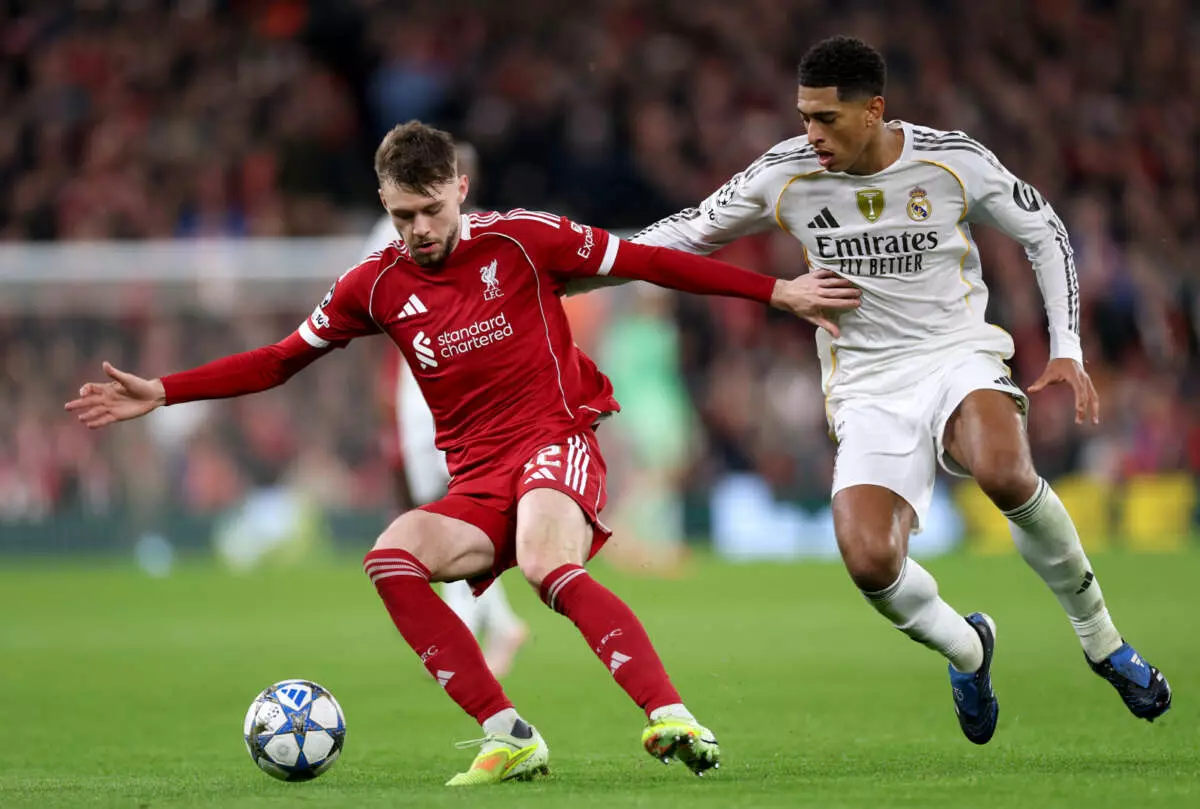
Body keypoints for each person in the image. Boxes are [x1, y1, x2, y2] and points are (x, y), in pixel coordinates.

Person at [66, 120, 861, 785]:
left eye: (430, 211)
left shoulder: (525, 240)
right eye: (403, 214)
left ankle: (671, 714)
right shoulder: (372, 285)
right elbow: (279, 359)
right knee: (391, 556)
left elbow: (648, 260)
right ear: (385, 204)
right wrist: (164, 391)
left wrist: (777, 292)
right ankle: (509, 732)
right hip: (477, 477)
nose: (418, 231)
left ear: (460, 191)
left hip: (556, 439)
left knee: (550, 563)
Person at [627, 36, 1171, 745]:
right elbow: (689, 232)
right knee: (869, 561)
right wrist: (587, 257)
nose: (810, 135)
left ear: (874, 110)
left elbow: (1043, 229)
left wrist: (1066, 345)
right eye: (804, 117)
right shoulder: (783, 175)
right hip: (867, 383)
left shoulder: (951, 160)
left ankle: (1101, 641)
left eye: (825, 119)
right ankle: (969, 649)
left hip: (955, 354)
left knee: (1005, 470)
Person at [367, 142, 530, 680]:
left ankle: (470, 622)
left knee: (450, 509)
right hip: (420, 388)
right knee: (440, 508)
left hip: (450, 392)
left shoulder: (483, 234)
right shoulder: (392, 237)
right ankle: (499, 621)